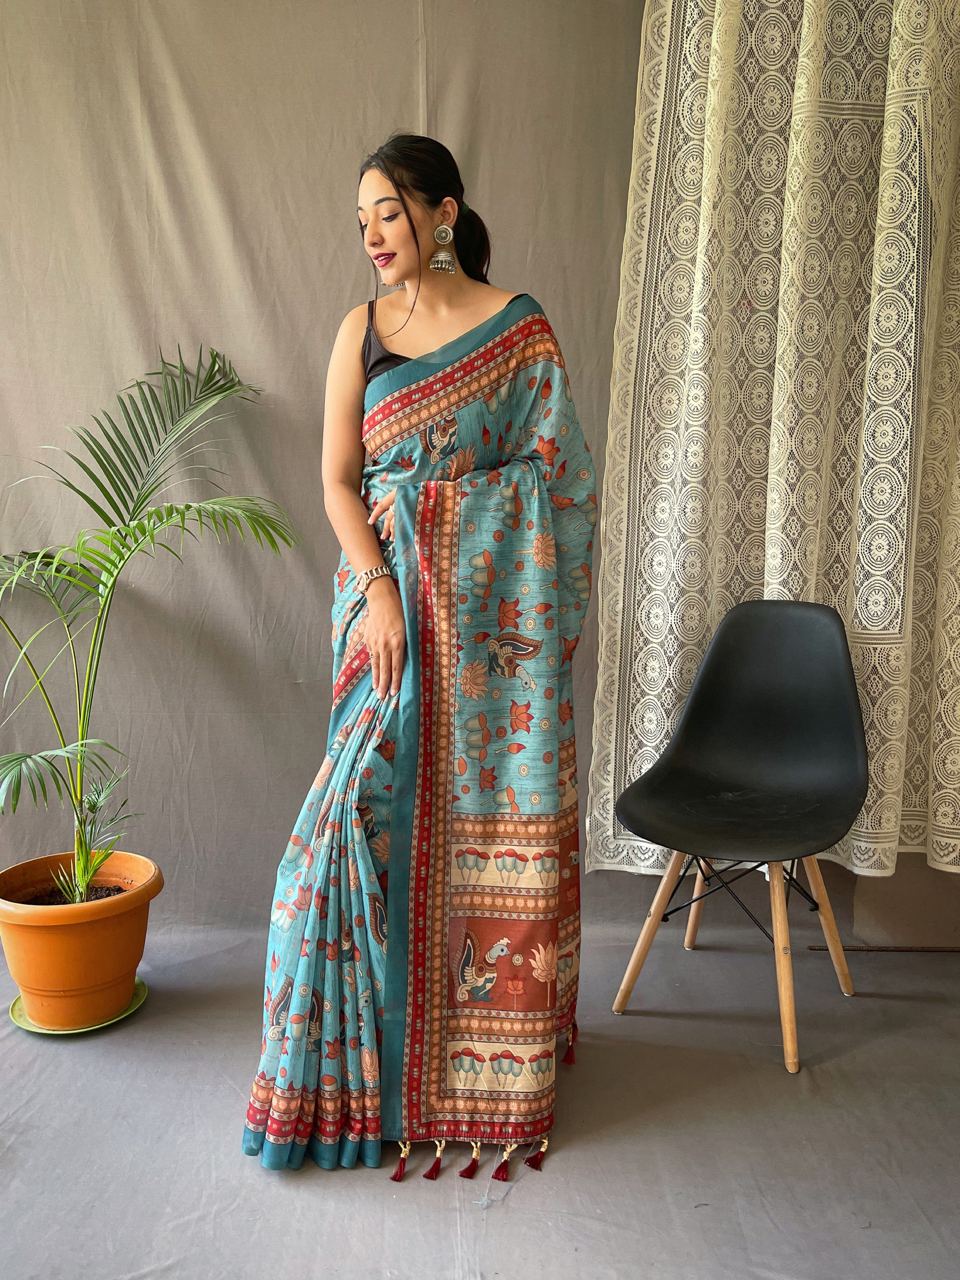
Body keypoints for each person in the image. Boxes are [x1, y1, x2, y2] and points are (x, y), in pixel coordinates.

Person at [241, 132, 597, 1182]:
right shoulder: (361, 331)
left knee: (465, 829)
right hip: (382, 616)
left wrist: (459, 529)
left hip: (489, 634)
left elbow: (562, 485)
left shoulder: (519, 331)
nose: (372, 236)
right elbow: (337, 483)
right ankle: (345, 1080)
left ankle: (478, 1081)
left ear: (444, 212)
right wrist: (385, 588)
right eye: (361, 221)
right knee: (348, 826)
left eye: (388, 212)